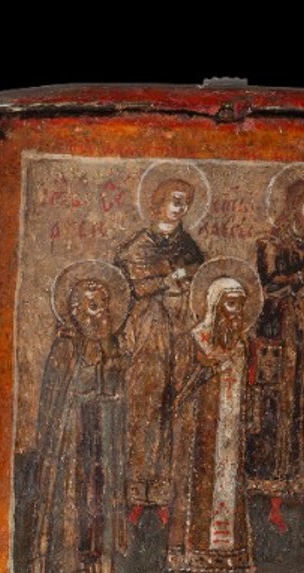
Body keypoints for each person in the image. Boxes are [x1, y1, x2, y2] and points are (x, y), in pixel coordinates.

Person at [21, 263, 130, 573]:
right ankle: (67, 571)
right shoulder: (65, 348)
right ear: (77, 312)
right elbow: (56, 400)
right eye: (94, 306)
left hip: (101, 436)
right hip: (72, 439)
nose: (103, 313)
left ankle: (99, 572)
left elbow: (117, 392)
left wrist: (112, 382)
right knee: (73, 501)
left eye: (105, 304)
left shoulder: (112, 346)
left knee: (98, 502)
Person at [113, 177, 205, 515]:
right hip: (149, 335)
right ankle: (137, 487)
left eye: (185, 202)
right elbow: (131, 288)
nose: (180, 207)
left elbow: (199, 277)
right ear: (158, 203)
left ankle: (166, 490)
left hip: (180, 333)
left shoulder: (189, 247)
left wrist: (180, 281)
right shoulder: (138, 246)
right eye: (174, 200)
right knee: (145, 404)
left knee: (174, 405)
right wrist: (167, 281)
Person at [169, 272, 259, 573]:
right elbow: (177, 395)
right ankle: (195, 569)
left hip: (231, 437)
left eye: (241, 306)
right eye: (231, 305)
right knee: (199, 496)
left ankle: (229, 568)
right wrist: (205, 369)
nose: (237, 313)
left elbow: (247, 390)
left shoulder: (242, 346)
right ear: (215, 306)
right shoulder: (195, 341)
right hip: (201, 440)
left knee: (231, 497)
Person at [249, 177, 304, 501]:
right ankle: (268, 477)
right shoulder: (270, 243)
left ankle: (300, 476)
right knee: (276, 402)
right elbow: (270, 286)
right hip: (278, 335)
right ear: (293, 204)